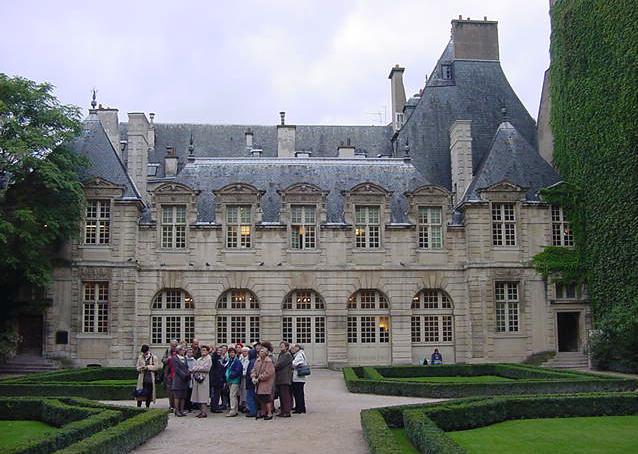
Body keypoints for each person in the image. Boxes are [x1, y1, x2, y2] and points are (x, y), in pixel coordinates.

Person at [251, 344, 275, 420]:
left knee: (267, 399)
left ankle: (269, 413)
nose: (260, 353)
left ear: (265, 353)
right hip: (258, 383)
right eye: (260, 351)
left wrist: (259, 378)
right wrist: (253, 377)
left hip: (266, 383)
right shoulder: (257, 360)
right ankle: (263, 412)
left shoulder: (269, 361)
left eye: (262, 351)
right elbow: (254, 370)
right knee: (260, 398)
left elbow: (268, 373)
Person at [191, 345, 212, 418]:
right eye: (202, 350)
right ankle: (201, 411)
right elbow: (194, 367)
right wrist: (197, 368)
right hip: (197, 378)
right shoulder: (199, 359)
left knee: (203, 396)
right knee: (198, 396)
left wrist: (197, 368)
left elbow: (207, 368)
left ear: (207, 351)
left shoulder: (208, 358)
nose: (203, 351)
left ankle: (204, 412)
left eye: (204, 350)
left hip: (204, 379)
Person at [274, 341, 293, 417]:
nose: (281, 347)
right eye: (280, 346)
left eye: (282, 346)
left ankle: (287, 411)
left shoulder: (287, 355)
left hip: (285, 378)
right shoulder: (281, 354)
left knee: (285, 395)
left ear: (286, 347)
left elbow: (280, 364)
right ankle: (283, 411)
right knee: (281, 396)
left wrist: (273, 366)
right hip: (280, 378)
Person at [171, 345, 191, 416]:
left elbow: (186, 367)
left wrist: (188, 373)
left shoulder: (185, 358)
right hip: (178, 380)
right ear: (179, 350)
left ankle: (182, 410)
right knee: (177, 396)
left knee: (183, 396)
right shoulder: (175, 358)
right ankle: (177, 411)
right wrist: (184, 375)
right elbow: (176, 369)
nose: (184, 351)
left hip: (185, 380)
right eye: (183, 350)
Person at [225, 347, 243, 417]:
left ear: (235, 353)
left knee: (232, 395)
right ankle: (235, 410)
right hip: (230, 380)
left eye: (232, 352)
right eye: (230, 352)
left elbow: (238, 371)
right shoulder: (230, 360)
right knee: (233, 395)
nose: (231, 354)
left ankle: (233, 410)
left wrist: (230, 375)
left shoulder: (237, 361)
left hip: (235, 380)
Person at [291, 343, 307, 414]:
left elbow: (294, 363)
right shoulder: (299, 354)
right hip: (298, 378)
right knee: (298, 393)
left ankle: (300, 408)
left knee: (298, 393)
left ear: (297, 348)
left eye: (293, 348)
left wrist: (292, 364)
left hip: (298, 378)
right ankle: (299, 407)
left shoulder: (299, 355)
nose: (292, 350)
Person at [162, 339, 178, 412]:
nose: (174, 347)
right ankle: (171, 405)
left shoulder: (179, 351)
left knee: (176, 391)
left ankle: (176, 406)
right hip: (169, 374)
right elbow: (163, 360)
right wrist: (167, 359)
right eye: (172, 346)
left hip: (177, 374)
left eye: (175, 345)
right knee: (170, 391)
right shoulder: (167, 351)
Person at [210, 346, 226, 413]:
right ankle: (214, 407)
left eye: (220, 350)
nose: (219, 352)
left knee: (218, 394)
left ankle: (216, 406)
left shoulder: (221, 359)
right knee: (215, 394)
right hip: (215, 379)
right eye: (218, 350)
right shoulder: (214, 358)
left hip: (220, 379)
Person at [244, 348, 258, 417]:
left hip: (250, 383)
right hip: (252, 382)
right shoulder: (255, 361)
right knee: (252, 397)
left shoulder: (252, 362)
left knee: (250, 397)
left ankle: (252, 411)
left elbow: (250, 372)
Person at [185, 347, 196, 412]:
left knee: (190, 392)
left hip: (192, 377)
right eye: (189, 352)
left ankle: (190, 406)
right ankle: (185, 406)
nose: (190, 353)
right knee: (186, 393)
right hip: (186, 377)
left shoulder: (194, 360)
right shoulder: (184, 359)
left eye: (191, 352)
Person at [239, 346, 250, 412]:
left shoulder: (248, 359)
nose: (244, 353)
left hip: (246, 377)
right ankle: (242, 405)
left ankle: (246, 406)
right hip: (241, 377)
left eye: (245, 351)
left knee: (245, 392)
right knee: (241, 392)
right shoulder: (240, 358)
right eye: (243, 351)